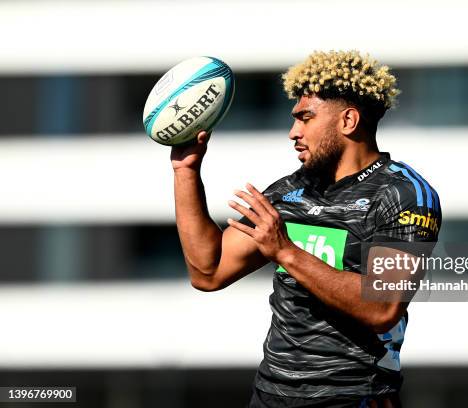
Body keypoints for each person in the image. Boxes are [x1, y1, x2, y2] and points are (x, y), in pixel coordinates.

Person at [171, 50, 442, 408]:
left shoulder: (404, 194)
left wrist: (285, 250)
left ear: (348, 121)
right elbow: (208, 271)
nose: (293, 132)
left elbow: (382, 307)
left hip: (354, 398)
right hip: (270, 396)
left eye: (306, 118)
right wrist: (185, 172)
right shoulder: (288, 191)